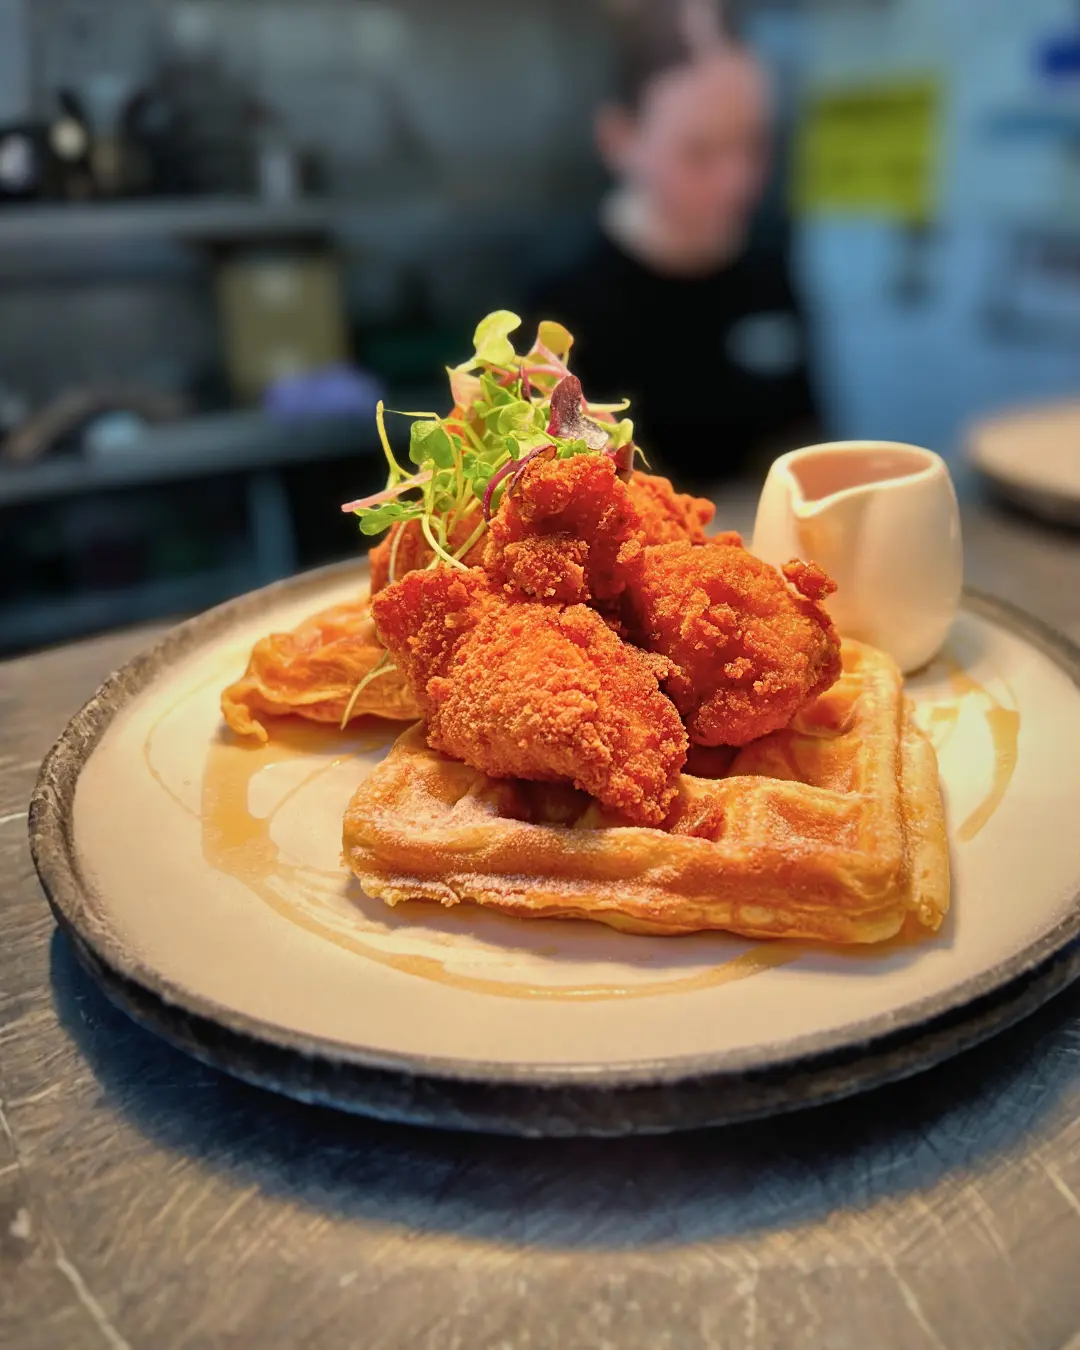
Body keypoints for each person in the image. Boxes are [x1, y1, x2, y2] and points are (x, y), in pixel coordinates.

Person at [528, 1, 820, 485]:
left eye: (752, 143)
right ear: (620, 140)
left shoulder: (770, 264)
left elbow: (800, 443)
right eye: (699, 152)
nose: (737, 182)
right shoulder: (565, 293)